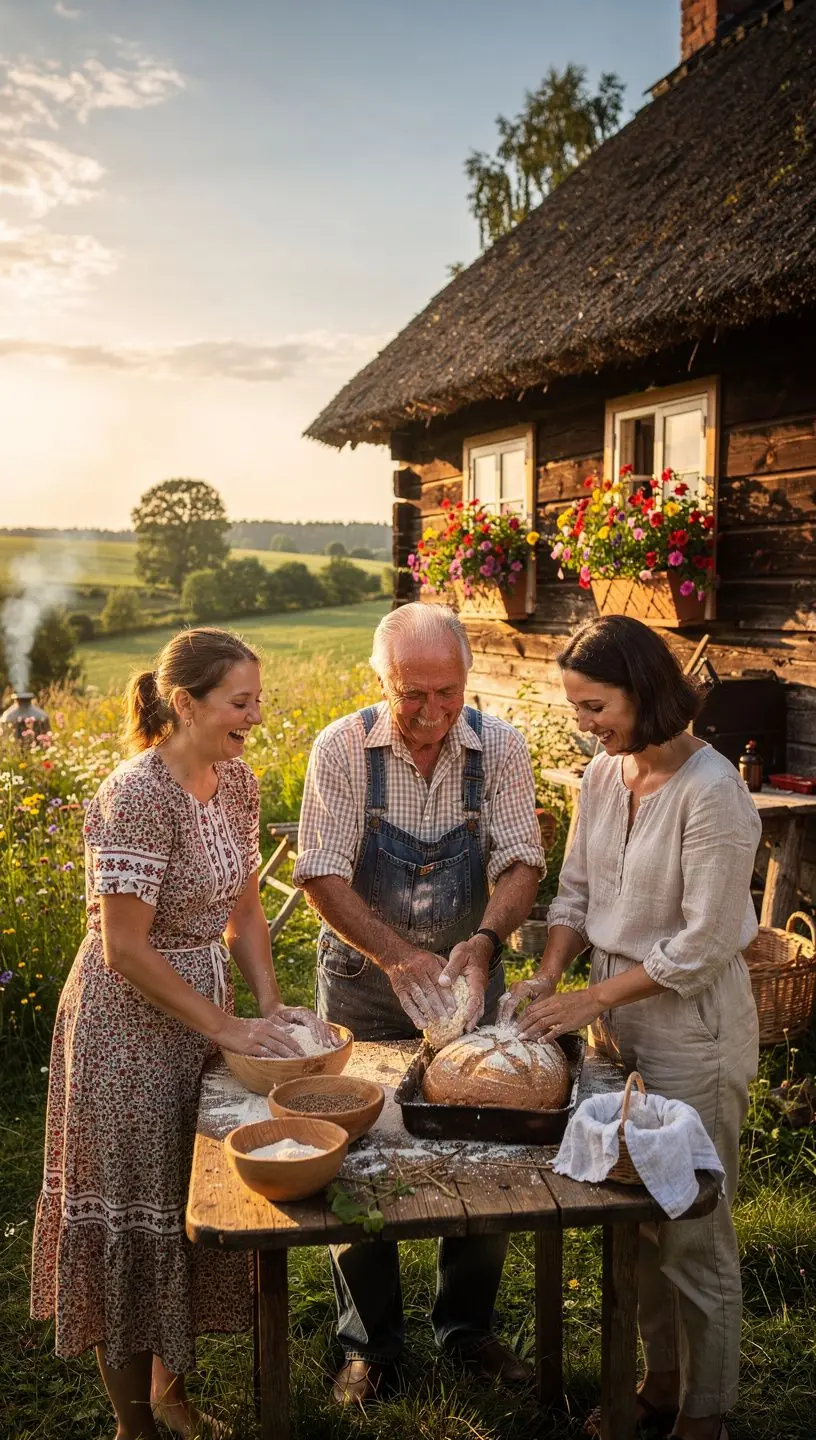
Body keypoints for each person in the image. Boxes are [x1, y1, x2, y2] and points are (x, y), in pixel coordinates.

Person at [31, 627, 334, 1440]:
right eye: (241, 702)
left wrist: (266, 1009)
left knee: (187, 1203)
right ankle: (135, 1426)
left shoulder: (233, 782)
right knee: (133, 1217)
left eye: (258, 700)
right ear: (186, 702)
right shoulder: (134, 794)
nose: (256, 716)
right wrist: (227, 1021)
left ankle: (172, 1394)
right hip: (124, 1032)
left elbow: (243, 910)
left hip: (205, 1017)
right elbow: (126, 949)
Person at [504, 615, 761, 1440]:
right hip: (616, 1020)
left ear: (644, 693)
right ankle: (659, 1380)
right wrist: (550, 973)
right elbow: (575, 894)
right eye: (577, 709)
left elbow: (706, 942)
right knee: (635, 1219)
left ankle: (707, 1415)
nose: (585, 725)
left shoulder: (713, 791)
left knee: (692, 1226)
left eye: (594, 707)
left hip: (691, 1029)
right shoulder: (604, 777)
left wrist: (591, 1001)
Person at [293, 601, 547, 1405]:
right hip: (366, 987)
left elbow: (522, 861)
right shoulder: (341, 749)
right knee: (357, 1152)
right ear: (381, 681)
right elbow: (322, 875)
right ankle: (370, 1344)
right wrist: (399, 956)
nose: (433, 714)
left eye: (448, 692)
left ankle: (466, 1331)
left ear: (465, 681)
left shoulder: (499, 745)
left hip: (471, 983)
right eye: (412, 696)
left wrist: (485, 941)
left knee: (490, 1145)